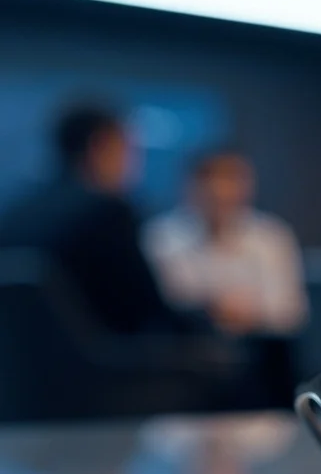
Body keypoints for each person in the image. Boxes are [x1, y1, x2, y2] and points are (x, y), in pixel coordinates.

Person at [0, 103, 195, 335]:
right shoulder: (106, 212)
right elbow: (145, 308)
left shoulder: (15, 211)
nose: (134, 164)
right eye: (130, 150)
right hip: (100, 353)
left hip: (25, 353)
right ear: (100, 146)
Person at [142, 147, 308, 336]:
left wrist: (246, 311)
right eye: (210, 178)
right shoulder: (160, 237)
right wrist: (212, 307)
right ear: (189, 184)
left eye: (230, 178)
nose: (220, 190)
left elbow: (291, 311)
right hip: (184, 344)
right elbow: (161, 304)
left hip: (259, 345)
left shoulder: (271, 237)